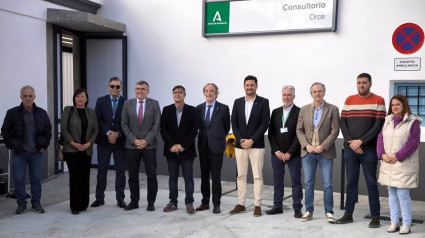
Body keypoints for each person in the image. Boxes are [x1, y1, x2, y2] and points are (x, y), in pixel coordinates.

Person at [336, 73, 386, 228]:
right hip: (351, 149)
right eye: (359, 83)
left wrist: (361, 142)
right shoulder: (349, 100)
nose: (361, 85)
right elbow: (342, 123)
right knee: (351, 182)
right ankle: (348, 214)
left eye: (364, 82)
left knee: (371, 182)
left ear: (370, 83)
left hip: (369, 149)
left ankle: (376, 216)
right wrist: (352, 143)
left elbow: (378, 125)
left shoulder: (379, 100)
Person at [1, 85, 52, 214]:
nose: (28, 99)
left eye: (30, 96)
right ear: (21, 97)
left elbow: (48, 131)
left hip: (36, 153)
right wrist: (11, 145)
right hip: (19, 153)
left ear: (34, 97)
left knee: (36, 179)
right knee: (18, 179)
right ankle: (21, 204)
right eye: (25, 96)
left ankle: (36, 203)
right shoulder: (12, 113)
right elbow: (5, 130)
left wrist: (43, 146)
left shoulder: (41, 113)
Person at [377, 94, 421, 235]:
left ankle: (406, 224)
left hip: (403, 164)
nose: (394, 107)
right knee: (392, 193)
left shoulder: (412, 122)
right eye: (393, 105)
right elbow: (380, 139)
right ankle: (394, 222)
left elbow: (413, 143)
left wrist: (397, 156)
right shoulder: (387, 121)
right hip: (388, 162)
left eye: (398, 104)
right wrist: (382, 155)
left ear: (404, 105)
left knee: (402, 193)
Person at [296, 82, 340, 223]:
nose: (317, 94)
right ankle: (309, 211)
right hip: (308, 153)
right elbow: (299, 130)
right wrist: (306, 145)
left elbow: (335, 131)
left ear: (324, 93)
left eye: (320, 91)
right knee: (308, 183)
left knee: (327, 184)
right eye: (314, 92)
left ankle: (329, 212)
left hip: (324, 152)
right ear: (311, 94)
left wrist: (323, 146)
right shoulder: (304, 109)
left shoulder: (333, 109)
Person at [229, 75, 270, 217]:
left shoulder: (263, 102)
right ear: (244, 86)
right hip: (240, 146)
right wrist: (241, 140)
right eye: (247, 85)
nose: (249, 87)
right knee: (241, 176)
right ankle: (241, 204)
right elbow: (234, 122)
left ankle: (257, 205)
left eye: (252, 85)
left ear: (256, 86)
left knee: (257, 177)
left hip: (256, 145)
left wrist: (252, 140)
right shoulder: (238, 102)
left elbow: (265, 123)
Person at [121, 81, 161, 211]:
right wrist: (134, 140)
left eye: (143, 89)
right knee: (132, 175)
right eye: (138, 88)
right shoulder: (127, 103)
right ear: (135, 90)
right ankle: (134, 201)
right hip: (132, 146)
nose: (140, 91)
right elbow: (124, 124)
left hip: (149, 146)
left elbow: (156, 124)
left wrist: (146, 140)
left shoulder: (154, 104)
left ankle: (151, 203)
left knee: (151, 175)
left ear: (148, 91)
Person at [160, 85, 198, 214]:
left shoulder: (192, 110)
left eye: (180, 92)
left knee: (188, 178)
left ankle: (189, 203)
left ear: (185, 95)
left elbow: (194, 130)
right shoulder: (166, 110)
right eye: (175, 92)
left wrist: (183, 145)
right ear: (172, 95)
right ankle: (173, 202)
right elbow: (163, 130)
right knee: (172, 178)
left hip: (187, 151)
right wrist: (171, 145)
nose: (177, 94)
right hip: (171, 151)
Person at [267, 85, 303, 218]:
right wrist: (277, 151)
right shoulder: (275, 112)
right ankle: (277, 206)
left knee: (296, 181)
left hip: (293, 154)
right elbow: (271, 133)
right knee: (278, 181)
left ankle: (297, 207)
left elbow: (299, 134)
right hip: (277, 154)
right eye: (284, 95)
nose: (286, 97)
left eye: (289, 95)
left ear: (293, 96)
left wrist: (289, 153)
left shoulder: (300, 111)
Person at [61, 88, 98, 215]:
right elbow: (64, 129)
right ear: (74, 98)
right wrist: (73, 143)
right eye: (77, 96)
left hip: (86, 150)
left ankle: (84, 204)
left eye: (82, 96)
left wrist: (88, 144)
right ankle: (75, 206)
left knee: (84, 176)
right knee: (75, 177)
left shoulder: (91, 112)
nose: (80, 98)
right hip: (72, 149)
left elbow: (95, 130)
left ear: (86, 99)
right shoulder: (68, 110)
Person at [92, 77, 127, 209]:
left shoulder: (126, 102)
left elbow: (126, 121)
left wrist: (117, 133)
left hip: (120, 142)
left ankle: (120, 199)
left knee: (121, 172)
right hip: (104, 141)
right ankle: (99, 198)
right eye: (112, 86)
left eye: (117, 87)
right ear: (108, 87)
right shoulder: (101, 101)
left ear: (121, 88)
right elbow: (98, 119)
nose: (115, 89)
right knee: (102, 171)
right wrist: (108, 133)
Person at [195, 83, 230, 214]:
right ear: (204, 93)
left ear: (216, 93)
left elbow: (226, 127)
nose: (209, 93)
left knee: (216, 177)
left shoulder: (223, 108)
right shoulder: (198, 108)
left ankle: (216, 204)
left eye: (212, 91)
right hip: (203, 146)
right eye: (207, 91)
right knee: (204, 176)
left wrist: (217, 137)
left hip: (216, 147)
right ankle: (205, 202)